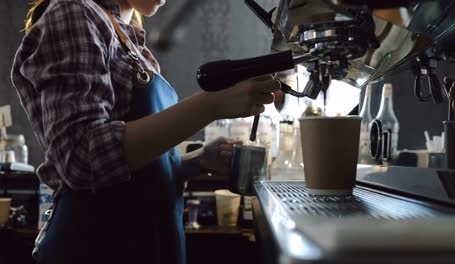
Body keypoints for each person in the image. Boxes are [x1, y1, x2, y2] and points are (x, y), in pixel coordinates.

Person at [11, 0, 280, 263]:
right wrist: (211, 105)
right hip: (96, 245)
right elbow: (82, 157)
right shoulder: (73, 12)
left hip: (148, 244)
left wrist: (191, 163)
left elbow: (133, 168)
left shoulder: (134, 46)